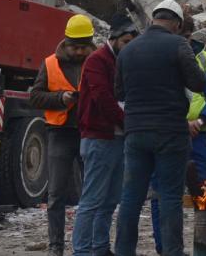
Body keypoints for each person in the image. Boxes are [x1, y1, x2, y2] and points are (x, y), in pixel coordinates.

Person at [113, 0, 205, 256]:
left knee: (131, 196)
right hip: (170, 133)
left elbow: (118, 91)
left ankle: (122, 251)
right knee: (170, 197)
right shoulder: (178, 44)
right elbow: (198, 83)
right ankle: (172, 252)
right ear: (176, 23)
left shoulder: (129, 50)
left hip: (135, 133)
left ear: (154, 19)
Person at [150, 14, 206, 254]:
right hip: (170, 132)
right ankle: (165, 248)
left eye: (188, 38)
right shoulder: (162, 55)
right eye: (182, 38)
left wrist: (202, 119)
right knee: (163, 193)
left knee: (205, 190)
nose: (185, 43)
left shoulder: (203, 58)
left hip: (198, 135)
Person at [30, 14, 96, 256]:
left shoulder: (98, 62)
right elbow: (35, 97)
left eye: (84, 47)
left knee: (91, 192)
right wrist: (61, 98)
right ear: (66, 42)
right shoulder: (50, 64)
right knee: (56, 193)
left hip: (90, 133)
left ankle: (88, 242)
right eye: (75, 47)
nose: (80, 51)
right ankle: (55, 245)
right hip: (59, 133)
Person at [73, 17, 139, 256]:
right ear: (114, 39)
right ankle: (81, 251)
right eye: (126, 41)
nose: (129, 46)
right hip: (100, 137)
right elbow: (104, 99)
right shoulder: (97, 61)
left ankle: (100, 248)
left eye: (132, 42)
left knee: (110, 200)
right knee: (91, 201)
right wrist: (129, 122)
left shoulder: (122, 60)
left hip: (117, 138)